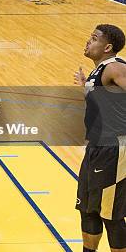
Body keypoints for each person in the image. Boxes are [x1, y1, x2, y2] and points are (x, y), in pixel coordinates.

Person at [73, 24, 126, 252]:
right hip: (95, 147)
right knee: (88, 209)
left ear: (108, 47)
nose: (88, 41)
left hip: (113, 150)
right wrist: (87, 86)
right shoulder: (100, 70)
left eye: (94, 38)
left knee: (111, 215)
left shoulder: (115, 67)